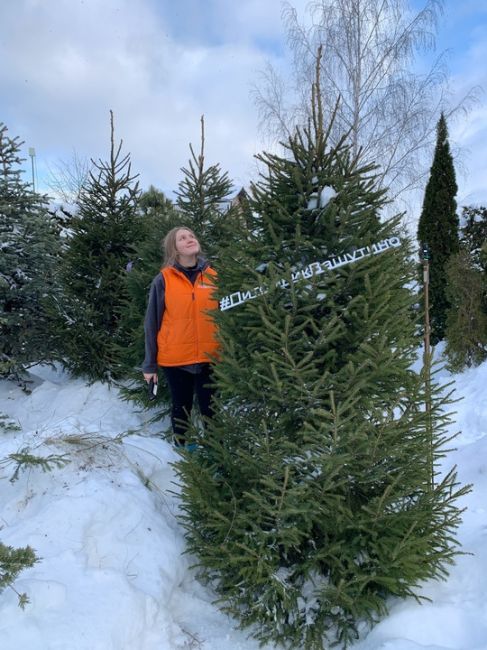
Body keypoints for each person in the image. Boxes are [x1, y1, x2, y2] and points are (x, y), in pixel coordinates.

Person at [142, 226, 219, 448]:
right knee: (181, 409)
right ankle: (184, 452)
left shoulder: (214, 276)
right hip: (175, 359)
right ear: (174, 250)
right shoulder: (164, 280)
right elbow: (151, 322)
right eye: (182, 238)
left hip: (210, 356)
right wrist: (150, 365)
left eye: (192, 236)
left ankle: (216, 454)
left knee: (212, 411)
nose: (189, 239)